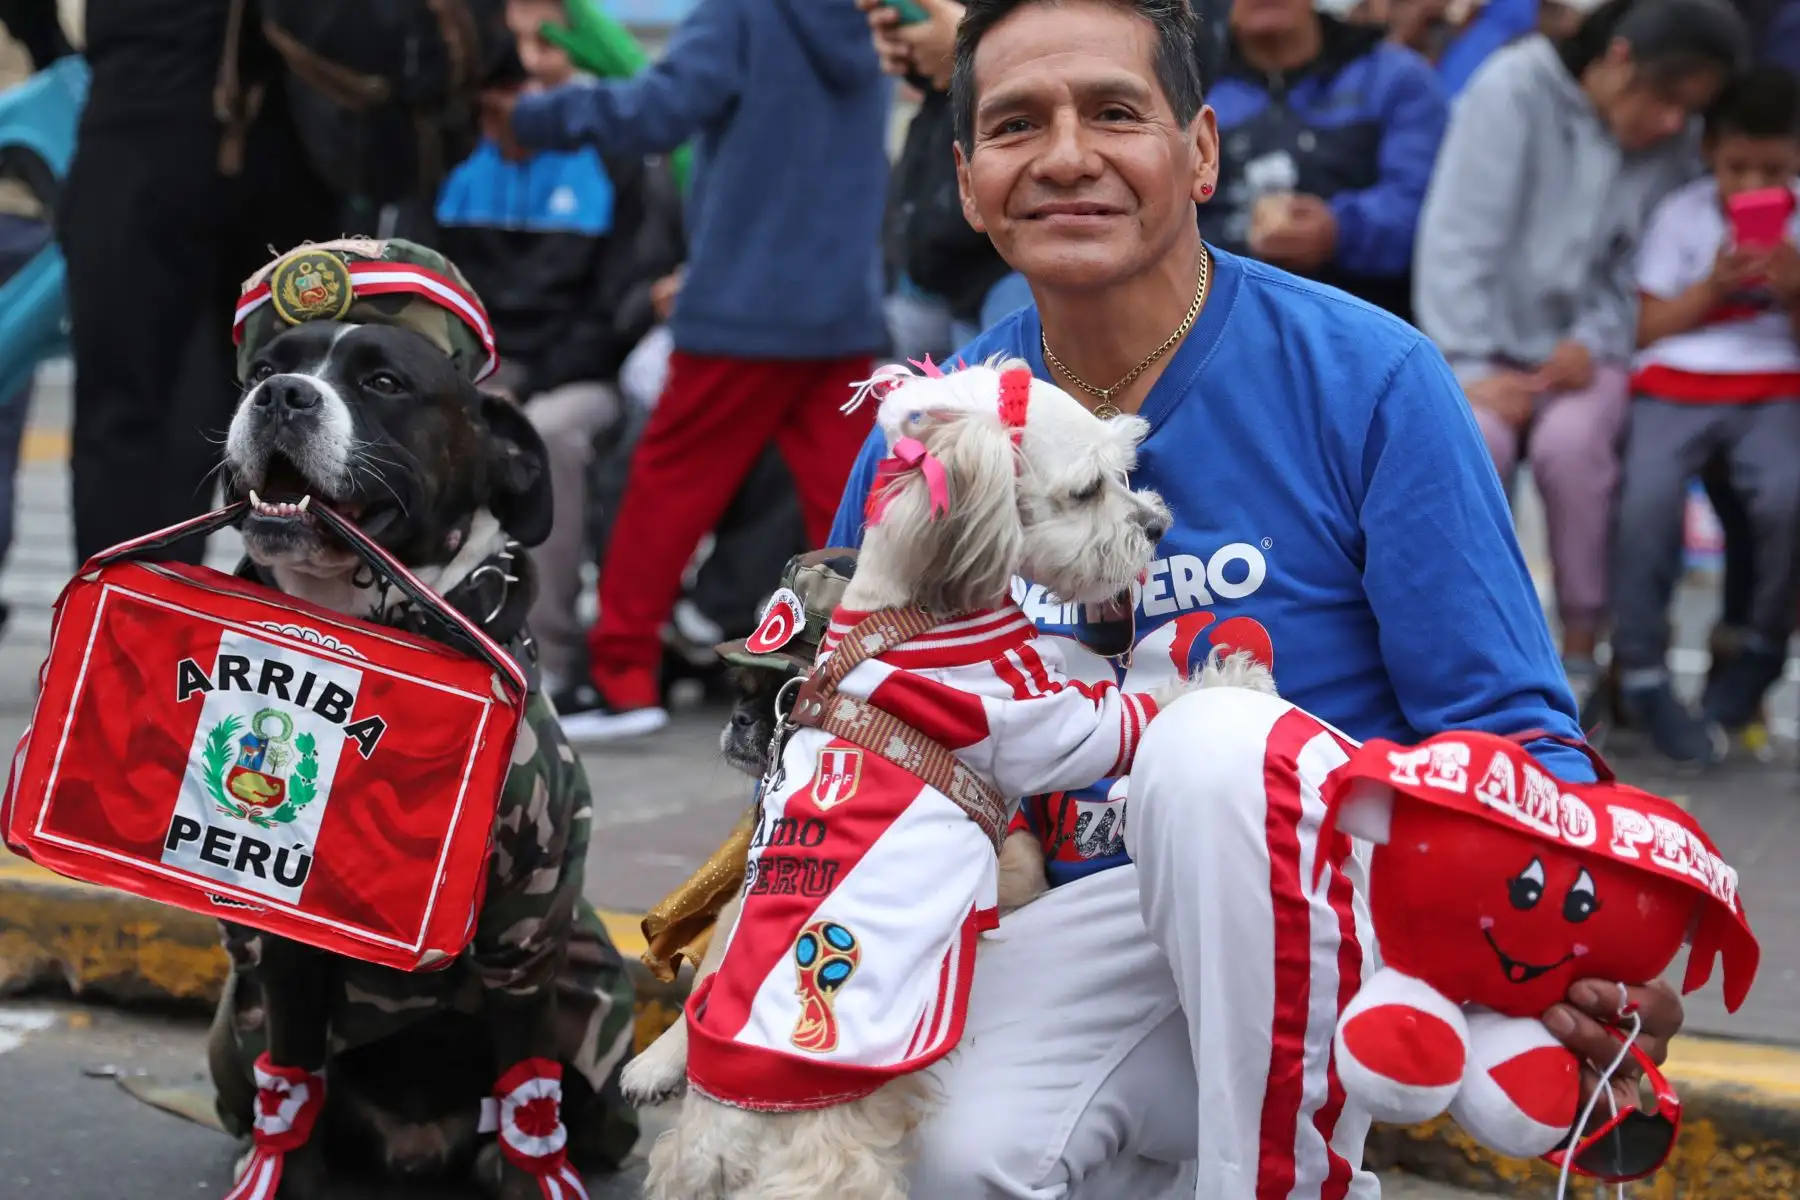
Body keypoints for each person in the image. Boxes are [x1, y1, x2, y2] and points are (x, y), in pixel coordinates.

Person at [830, 0, 1690, 1193]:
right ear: (970, 183)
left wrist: (1588, 930)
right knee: (950, 1162)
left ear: (1201, 153)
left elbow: (1511, 723)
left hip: (1344, 922)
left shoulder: (1370, 377)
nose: (1066, 156)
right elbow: (858, 729)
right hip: (1079, 924)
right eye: (1018, 125)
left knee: (1214, 738)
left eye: (1114, 113)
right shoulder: (937, 432)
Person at [495, 0, 890, 740]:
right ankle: (879, 675)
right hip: (840, 308)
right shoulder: (862, 20)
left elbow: (654, 112)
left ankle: (622, 679)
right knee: (851, 507)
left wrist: (528, 115)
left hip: (741, 307)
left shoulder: (742, 13)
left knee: (666, 492)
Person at [1413, 0, 1747, 712]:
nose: (1672, 124)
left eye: (1688, 111)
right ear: (1619, 59)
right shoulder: (1513, 88)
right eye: (1664, 98)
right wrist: (1466, 366)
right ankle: (1466, 657)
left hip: (1584, 354)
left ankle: (1581, 652)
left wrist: (1592, 340)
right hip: (1475, 343)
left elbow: (1640, 270)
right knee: (1474, 445)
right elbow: (1455, 241)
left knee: (1573, 450)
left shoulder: (1670, 140)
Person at [436, 0, 685, 696]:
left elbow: (620, 308)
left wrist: (528, 381)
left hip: (580, 373)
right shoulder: (451, 151)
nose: (526, 63)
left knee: (548, 434)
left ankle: (548, 663)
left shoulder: (613, 157)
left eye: (544, 43)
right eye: (511, 44)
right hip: (478, 363)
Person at [55, 0, 336, 565]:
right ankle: (131, 597)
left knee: (252, 400)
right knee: (174, 401)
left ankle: (148, 595)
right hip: (209, 127)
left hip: (181, 122)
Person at [1610, 65, 1800, 764]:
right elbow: (1645, 325)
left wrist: (1793, 290)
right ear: (1709, 154)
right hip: (1675, 382)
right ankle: (1641, 668)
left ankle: (1762, 647)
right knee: (1646, 505)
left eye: (1772, 171)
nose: (1751, 185)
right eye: (1736, 168)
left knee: (1787, 499)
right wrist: (1712, 287)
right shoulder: (1683, 215)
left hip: (1775, 383)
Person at [1195, 0, 1447, 320]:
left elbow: (1432, 210)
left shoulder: (1396, 80)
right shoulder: (1189, 92)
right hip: (1222, 323)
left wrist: (1338, 231)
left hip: (1372, 322)